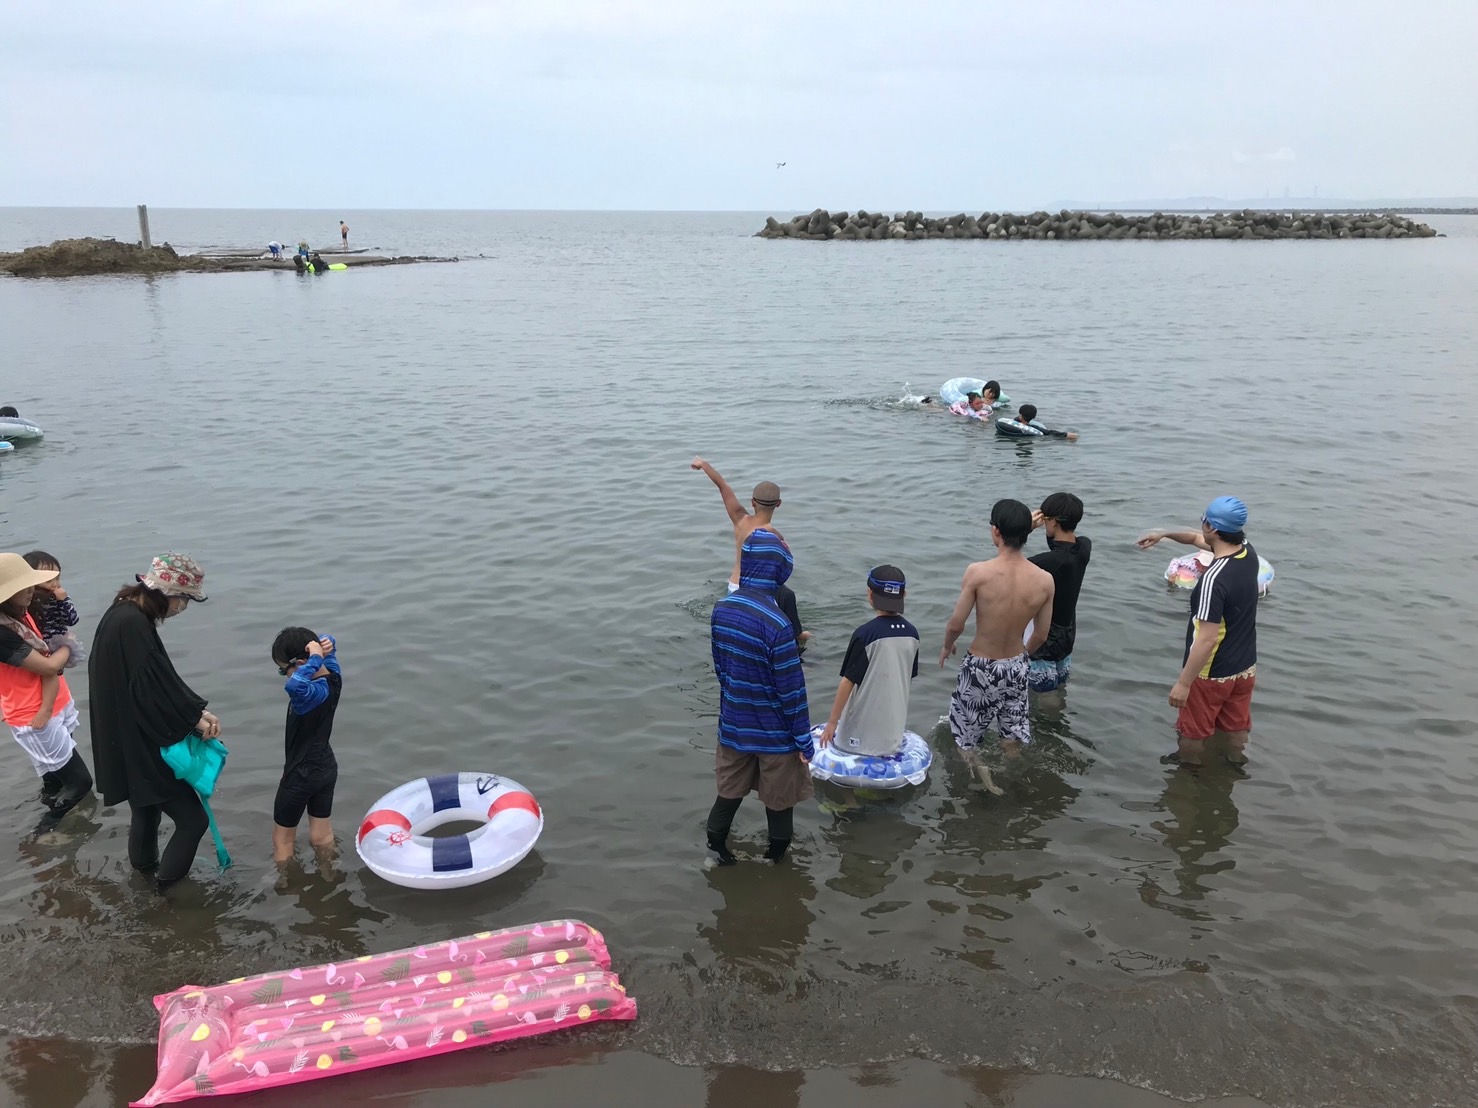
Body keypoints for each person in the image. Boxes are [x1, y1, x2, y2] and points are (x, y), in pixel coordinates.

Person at [88, 553, 218, 891]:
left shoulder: (122, 612)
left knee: (146, 810)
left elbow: (155, 678)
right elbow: (150, 688)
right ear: (166, 593)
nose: (183, 607)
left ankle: (144, 879)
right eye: (184, 599)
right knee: (193, 821)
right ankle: (167, 892)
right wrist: (193, 719)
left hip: (121, 735)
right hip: (141, 742)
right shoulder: (132, 624)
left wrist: (196, 711)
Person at [707, 530, 813, 866]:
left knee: (728, 795)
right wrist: (803, 741)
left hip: (734, 725)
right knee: (779, 804)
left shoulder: (721, 609)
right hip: (775, 735)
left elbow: (722, 669)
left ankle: (718, 855)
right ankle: (774, 862)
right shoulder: (779, 625)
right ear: (779, 569)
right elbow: (791, 691)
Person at [1136, 497, 1260, 771]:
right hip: (1245, 667)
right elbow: (1195, 538)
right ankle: (1235, 764)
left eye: (1203, 520)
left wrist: (1183, 683)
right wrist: (1164, 534)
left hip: (1210, 673)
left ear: (1212, 528)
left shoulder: (1212, 580)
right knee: (1236, 725)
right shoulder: (1247, 553)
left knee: (1192, 730)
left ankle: (1190, 772)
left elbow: (1206, 639)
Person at [940, 500, 1054, 793]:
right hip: (1016, 665)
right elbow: (1042, 634)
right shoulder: (1045, 580)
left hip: (980, 666)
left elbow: (956, 624)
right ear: (1028, 533)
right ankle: (1013, 778)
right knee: (1011, 734)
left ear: (995, 531)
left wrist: (947, 646)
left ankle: (978, 776)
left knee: (965, 735)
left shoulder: (978, 572)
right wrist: (1021, 657)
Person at [0, 554, 92, 819]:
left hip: (54, 702)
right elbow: (49, 667)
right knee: (80, 783)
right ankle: (45, 830)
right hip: (35, 714)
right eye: (24, 587)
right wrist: (67, 646)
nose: (31, 591)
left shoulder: (22, 613)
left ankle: (62, 830)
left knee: (55, 780)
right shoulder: (3, 632)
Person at [817, 566, 919, 756]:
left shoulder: (865, 634)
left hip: (858, 738)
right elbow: (907, 677)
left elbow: (848, 681)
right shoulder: (913, 634)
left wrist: (832, 723)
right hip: (892, 735)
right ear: (904, 594)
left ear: (870, 594)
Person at [269, 628, 342, 864]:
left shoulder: (306, 695)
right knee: (322, 835)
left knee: (283, 840)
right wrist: (326, 646)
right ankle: (329, 873)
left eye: (284, 670)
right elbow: (328, 641)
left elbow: (295, 686)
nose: (285, 676)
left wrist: (315, 658)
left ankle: (284, 880)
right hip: (326, 768)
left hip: (299, 774)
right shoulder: (333, 677)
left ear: (302, 664)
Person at [1026, 494, 1091, 692]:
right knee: (1059, 689)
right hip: (1068, 634)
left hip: (1044, 639)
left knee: (1043, 697)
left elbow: (1008, 566)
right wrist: (1051, 526)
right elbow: (1061, 546)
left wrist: (1025, 530)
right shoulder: (1084, 548)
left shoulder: (1046, 561)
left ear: (1053, 521)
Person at [1013, 404, 1079, 441]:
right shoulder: (1037, 428)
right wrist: (1066, 434)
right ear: (1034, 417)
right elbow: (1050, 432)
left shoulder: (1013, 423)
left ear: (1020, 415)